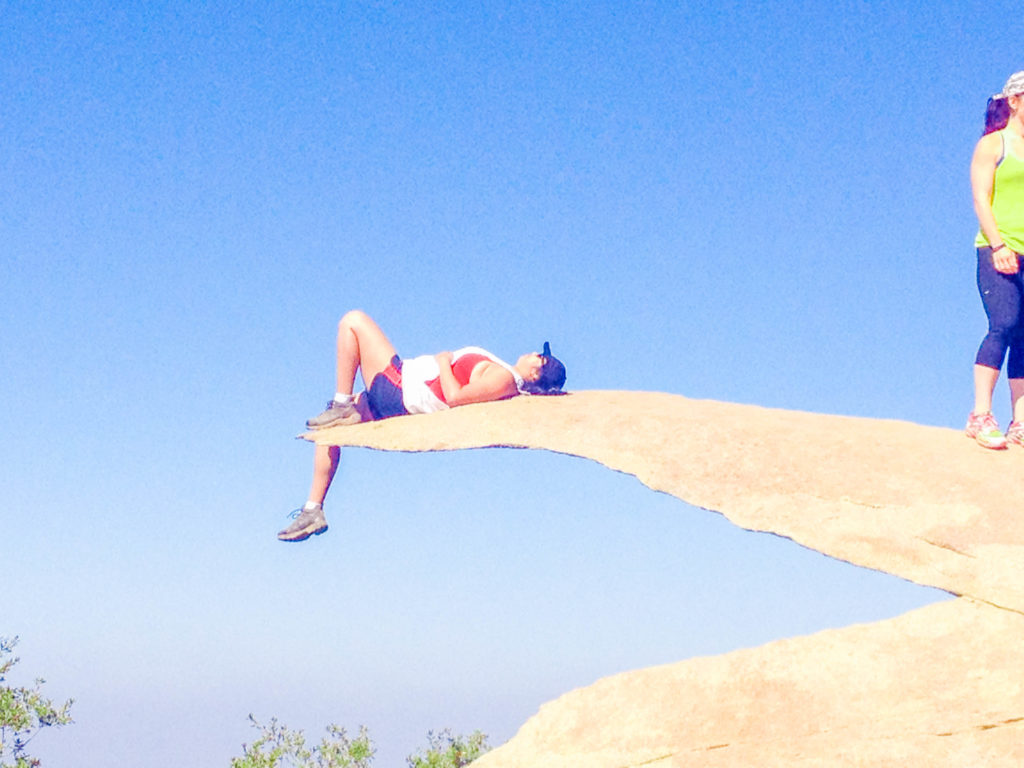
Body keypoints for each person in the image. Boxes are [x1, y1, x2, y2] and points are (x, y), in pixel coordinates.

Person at [278, 309, 567, 541]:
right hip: (398, 394)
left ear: (535, 368)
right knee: (329, 431)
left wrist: (443, 361)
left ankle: (342, 403)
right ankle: (313, 510)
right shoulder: (505, 376)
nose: (530, 352)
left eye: (537, 355)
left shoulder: (504, 379)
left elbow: (455, 398)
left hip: (399, 387)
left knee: (353, 321)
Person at [967, 71, 1024, 449]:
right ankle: (980, 415)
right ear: (1016, 101)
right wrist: (999, 245)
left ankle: (1020, 423)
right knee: (1003, 324)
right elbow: (980, 199)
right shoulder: (993, 144)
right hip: (997, 249)